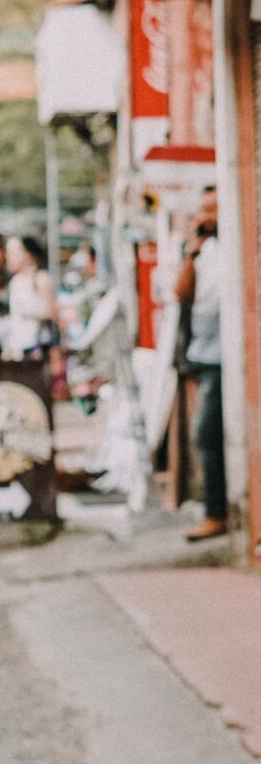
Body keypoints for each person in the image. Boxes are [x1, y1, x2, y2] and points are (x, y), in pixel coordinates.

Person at [176, 185, 227, 542]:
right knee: (207, 435)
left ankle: (217, 511)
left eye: (214, 210)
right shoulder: (204, 251)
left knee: (206, 433)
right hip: (206, 353)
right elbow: (182, 292)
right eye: (203, 211)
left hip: (229, 355)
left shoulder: (235, 244)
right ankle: (217, 510)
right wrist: (192, 251)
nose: (207, 217)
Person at [4, 236, 58, 361]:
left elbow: (52, 312)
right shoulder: (15, 282)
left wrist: (32, 316)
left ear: (27, 254)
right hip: (19, 351)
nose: (7, 256)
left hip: (38, 348)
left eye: (12, 252)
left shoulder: (40, 278)